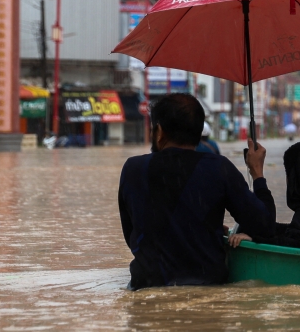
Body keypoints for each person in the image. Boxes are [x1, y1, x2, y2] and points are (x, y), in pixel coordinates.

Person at [118, 93, 276, 289]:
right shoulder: (219, 168)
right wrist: (257, 174)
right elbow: (265, 226)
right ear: (199, 130)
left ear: (159, 132)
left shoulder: (133, 169)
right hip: (207, 289)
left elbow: (133, 234)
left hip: (146, 287)